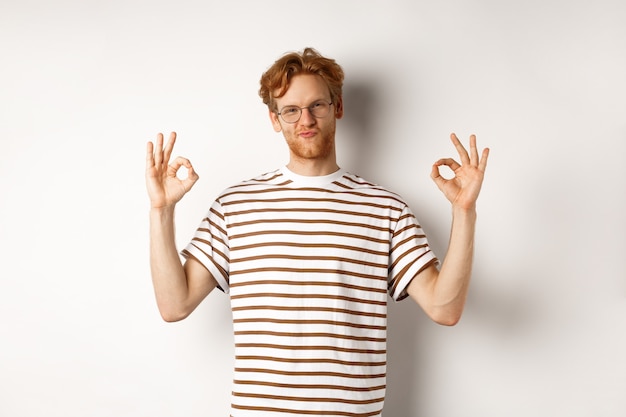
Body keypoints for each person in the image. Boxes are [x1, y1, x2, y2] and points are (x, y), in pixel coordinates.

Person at [145, 47, 489, 417]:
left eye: (317, 106)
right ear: (275, 119)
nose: (305, 119)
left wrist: (463, 211)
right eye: (290, 110)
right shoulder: (235, 206)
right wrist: (161, 211)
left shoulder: (385, 208)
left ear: (337, 107)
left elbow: (445, 308)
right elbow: (174, 305)